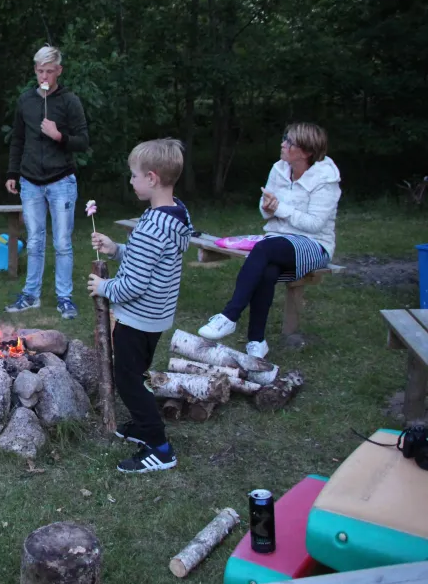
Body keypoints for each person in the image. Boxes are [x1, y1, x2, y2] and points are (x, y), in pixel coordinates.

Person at [88, 139, 192, 473]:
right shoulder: (173, 217)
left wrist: (104, 287)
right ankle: (143, 427)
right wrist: (116, 248)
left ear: (151, 177)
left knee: (128, 380)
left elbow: (133, 284)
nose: (130, 181)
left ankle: (160, 447)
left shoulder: (150, 227)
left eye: (133, 175)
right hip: (156, 317)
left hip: (138, 317)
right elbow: (147, 262)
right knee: (135, 373)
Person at [197, 123, 341, 359]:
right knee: (267, 271)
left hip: (314, 244)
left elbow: (315, 224)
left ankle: (229, 315)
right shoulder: (279, 168)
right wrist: (267, 207)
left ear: (306, 152)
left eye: (290, 142)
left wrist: (280, 208)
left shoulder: (326, 180)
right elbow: (267, 209)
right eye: (284, 138)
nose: (283, 144)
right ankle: (257, 342)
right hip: (278, 241)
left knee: (264, 249)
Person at [5, 45, 90, 319]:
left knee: (62, 242)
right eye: (40, 70)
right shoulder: (25, 101)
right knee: (34, 241)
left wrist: (58, 136)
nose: (44, 75)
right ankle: (31, 295)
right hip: (30, 181)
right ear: (35, 70)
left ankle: (64, 298)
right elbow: (18, 138)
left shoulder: (70, 102)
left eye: (49, 71)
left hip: (61, 181)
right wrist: (12, 173)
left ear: (59, 71)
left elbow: (83, 141)